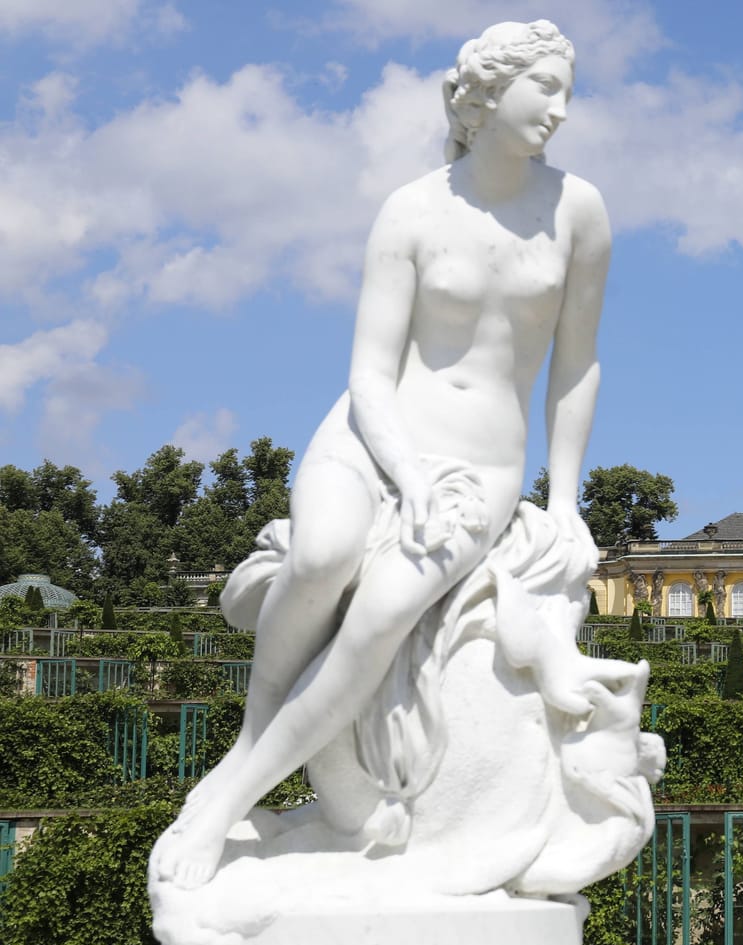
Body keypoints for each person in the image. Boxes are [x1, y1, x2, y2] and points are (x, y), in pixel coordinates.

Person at [151, 19, 611, 887]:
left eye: (566, 88)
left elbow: (577, 365)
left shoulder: (577, 210)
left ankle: (223, 800)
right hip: (374, 435)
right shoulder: (411, 208)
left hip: (481, 465)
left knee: (378, 617)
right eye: (545, 86)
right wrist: (406, 473)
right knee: (323, 555)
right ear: (487, 92)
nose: (561, 106)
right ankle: (248, 751)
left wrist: (564, 499)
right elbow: (367, 372)